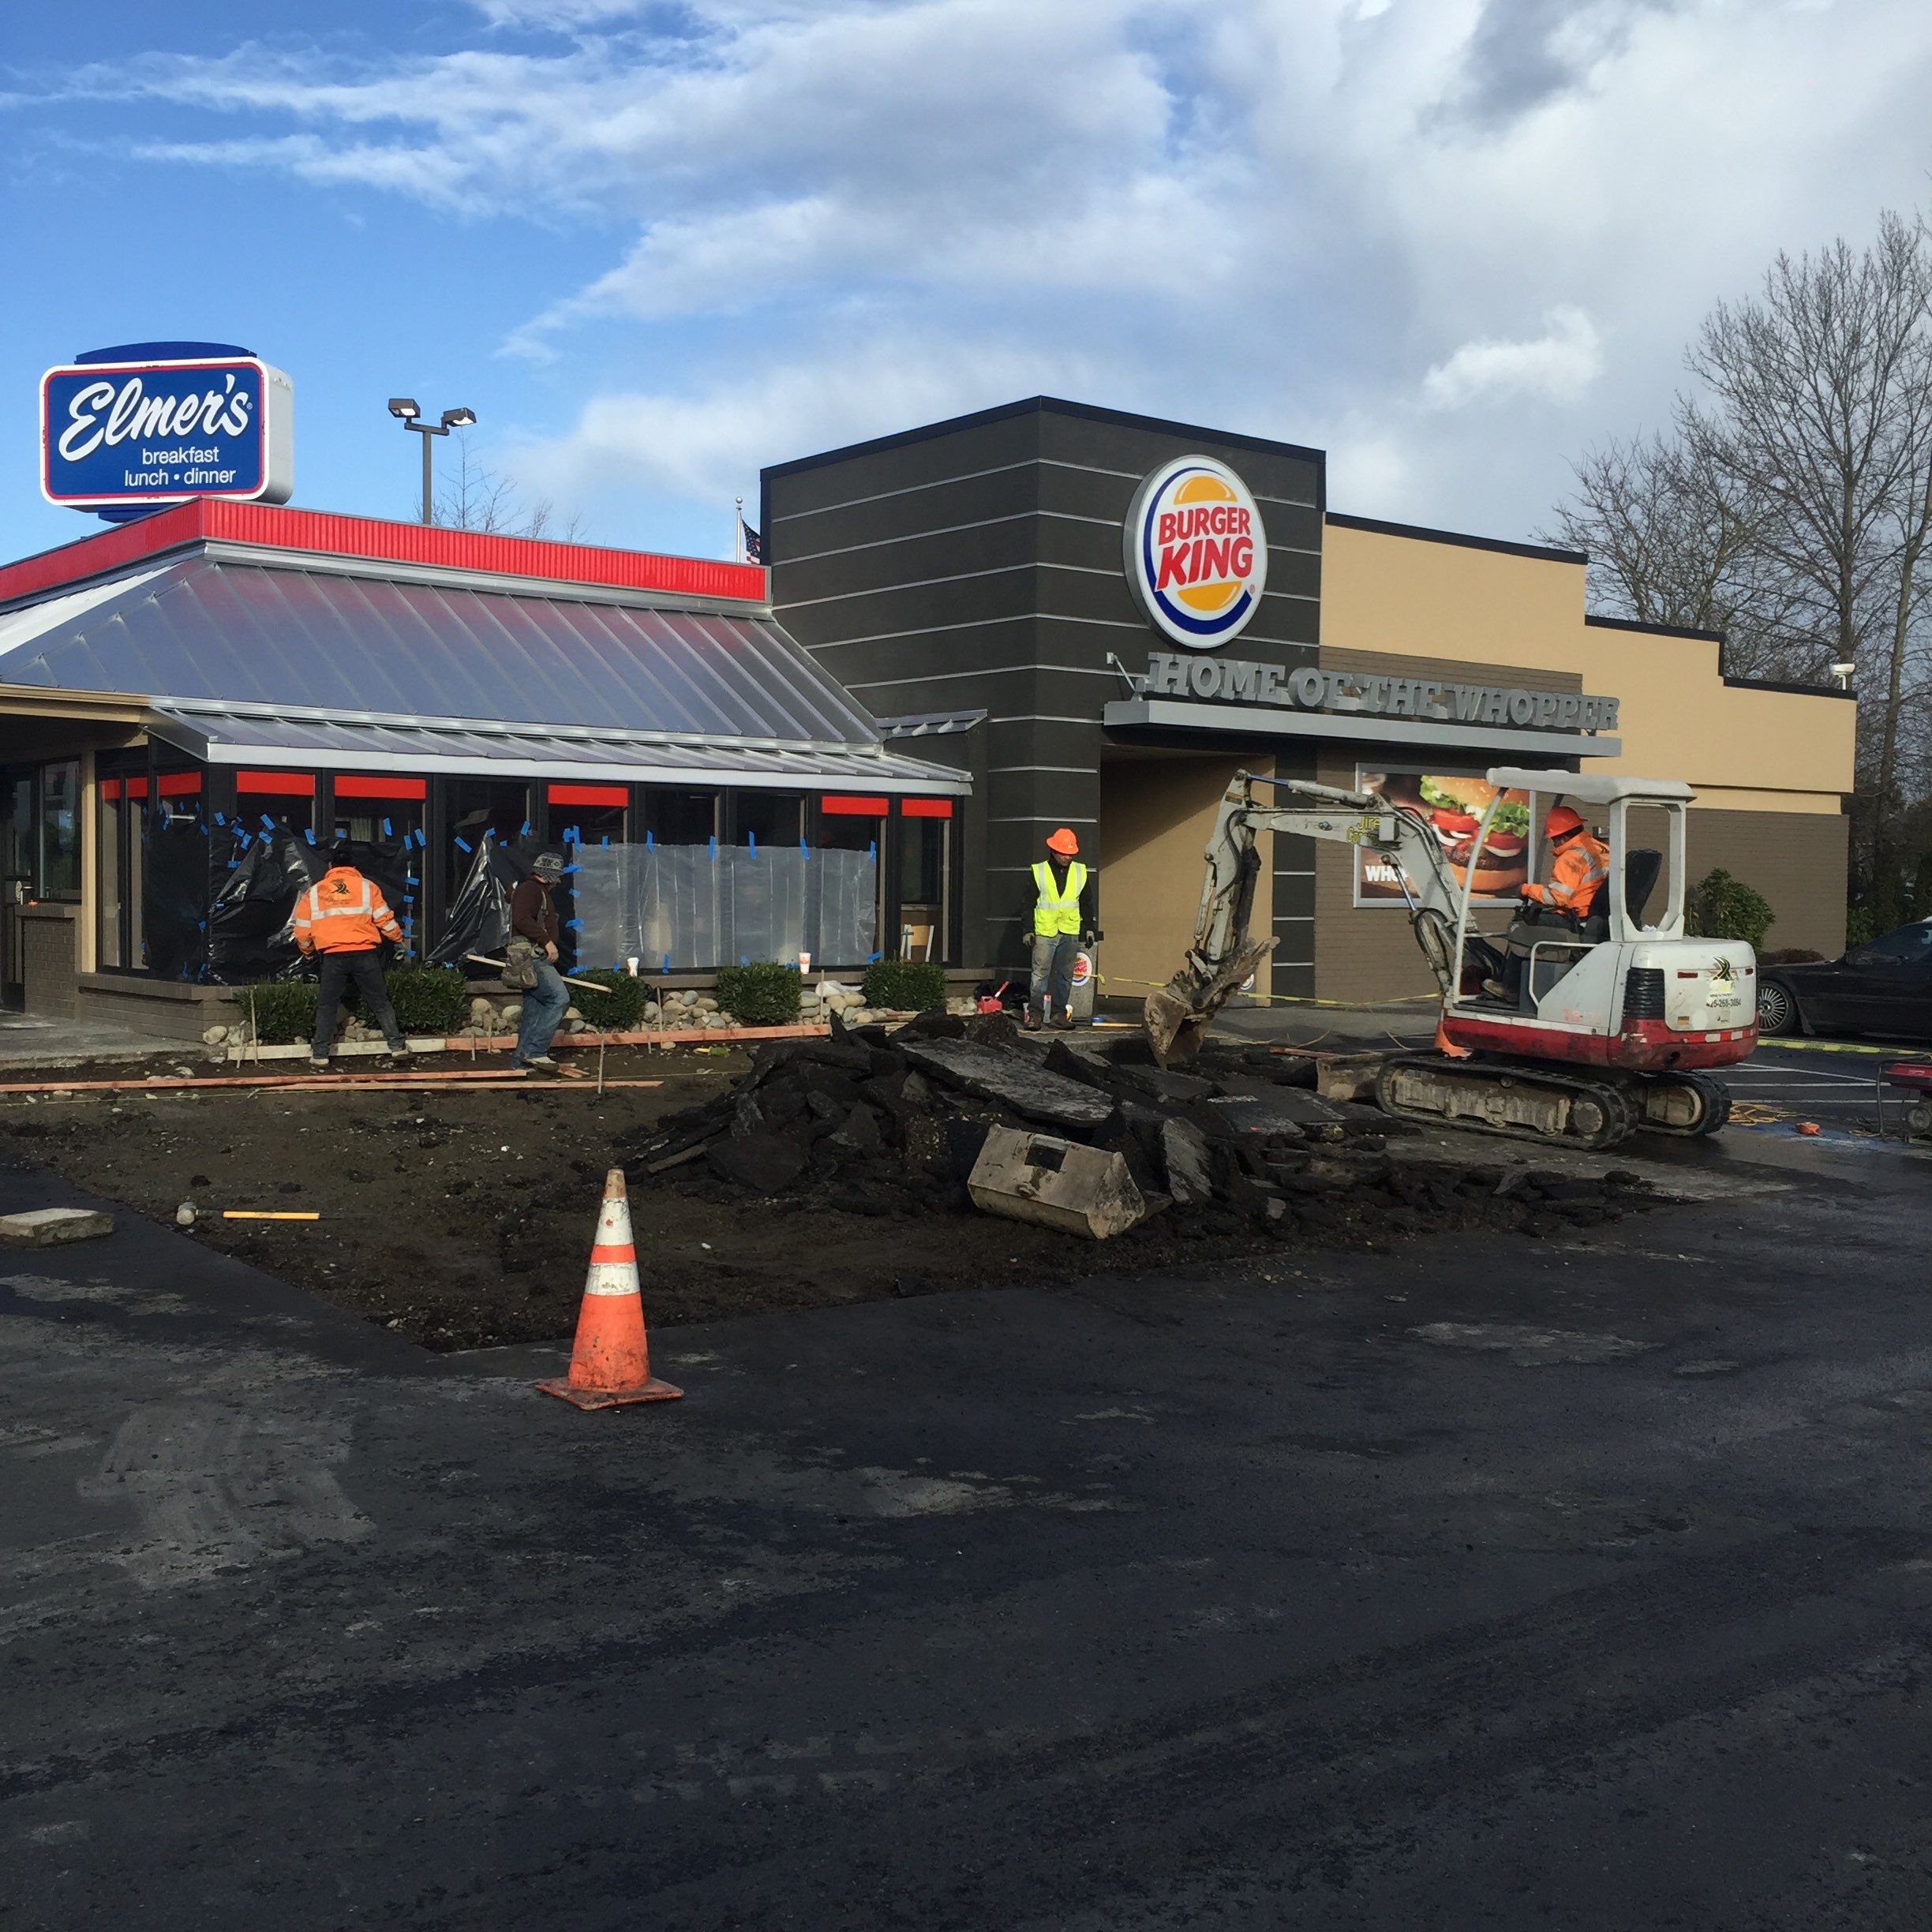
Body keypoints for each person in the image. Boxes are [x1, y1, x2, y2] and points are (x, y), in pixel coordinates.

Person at [295, 847, 411, 1071]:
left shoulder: (315, 892)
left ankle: (320, 1055)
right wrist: (398, 939)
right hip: (365, 954)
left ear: (331, 867)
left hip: (332, 956)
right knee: (380, 1002)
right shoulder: (368, 888)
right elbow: (385, 920)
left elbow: (302, 931)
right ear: (353, 867)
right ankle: (397, 1047)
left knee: (328, 1005)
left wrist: (309, 952)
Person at [1485, 807, 1612, 1005]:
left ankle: (1510, 986)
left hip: (1578, 921)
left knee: (1521, 925)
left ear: (1563, 837)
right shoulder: (1602, 849)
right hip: (1598, 921)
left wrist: (1526, 890)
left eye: (1554, 839)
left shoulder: (1571, 857)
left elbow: (1557, 898)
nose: (1553, 843)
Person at [1026, 827, 1095, 1032]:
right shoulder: (1039, 871)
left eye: (1070, 853)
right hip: (1045, 931)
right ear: (1053, 851)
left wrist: (1089, 927)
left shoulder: (1080, 872)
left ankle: (1059, 1015)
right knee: (1040, 975)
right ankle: (1035, 1015)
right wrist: (1027, 929)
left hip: (1069, 930)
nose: (1068, 857)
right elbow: (1028, 903)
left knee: (1065, 975)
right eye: (1064, 853)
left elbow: (1087, 901)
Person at [510, 850, 571, 1073]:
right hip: (534, 957)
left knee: (535, 1011)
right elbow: (522, 919)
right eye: (557, 876)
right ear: (547, 875)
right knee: (559, 999)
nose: (559, 881)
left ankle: (521, 1063)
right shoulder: (531, 889)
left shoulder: (533, 890)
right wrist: (547, 942)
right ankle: (536, 1052)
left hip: (531, 957)